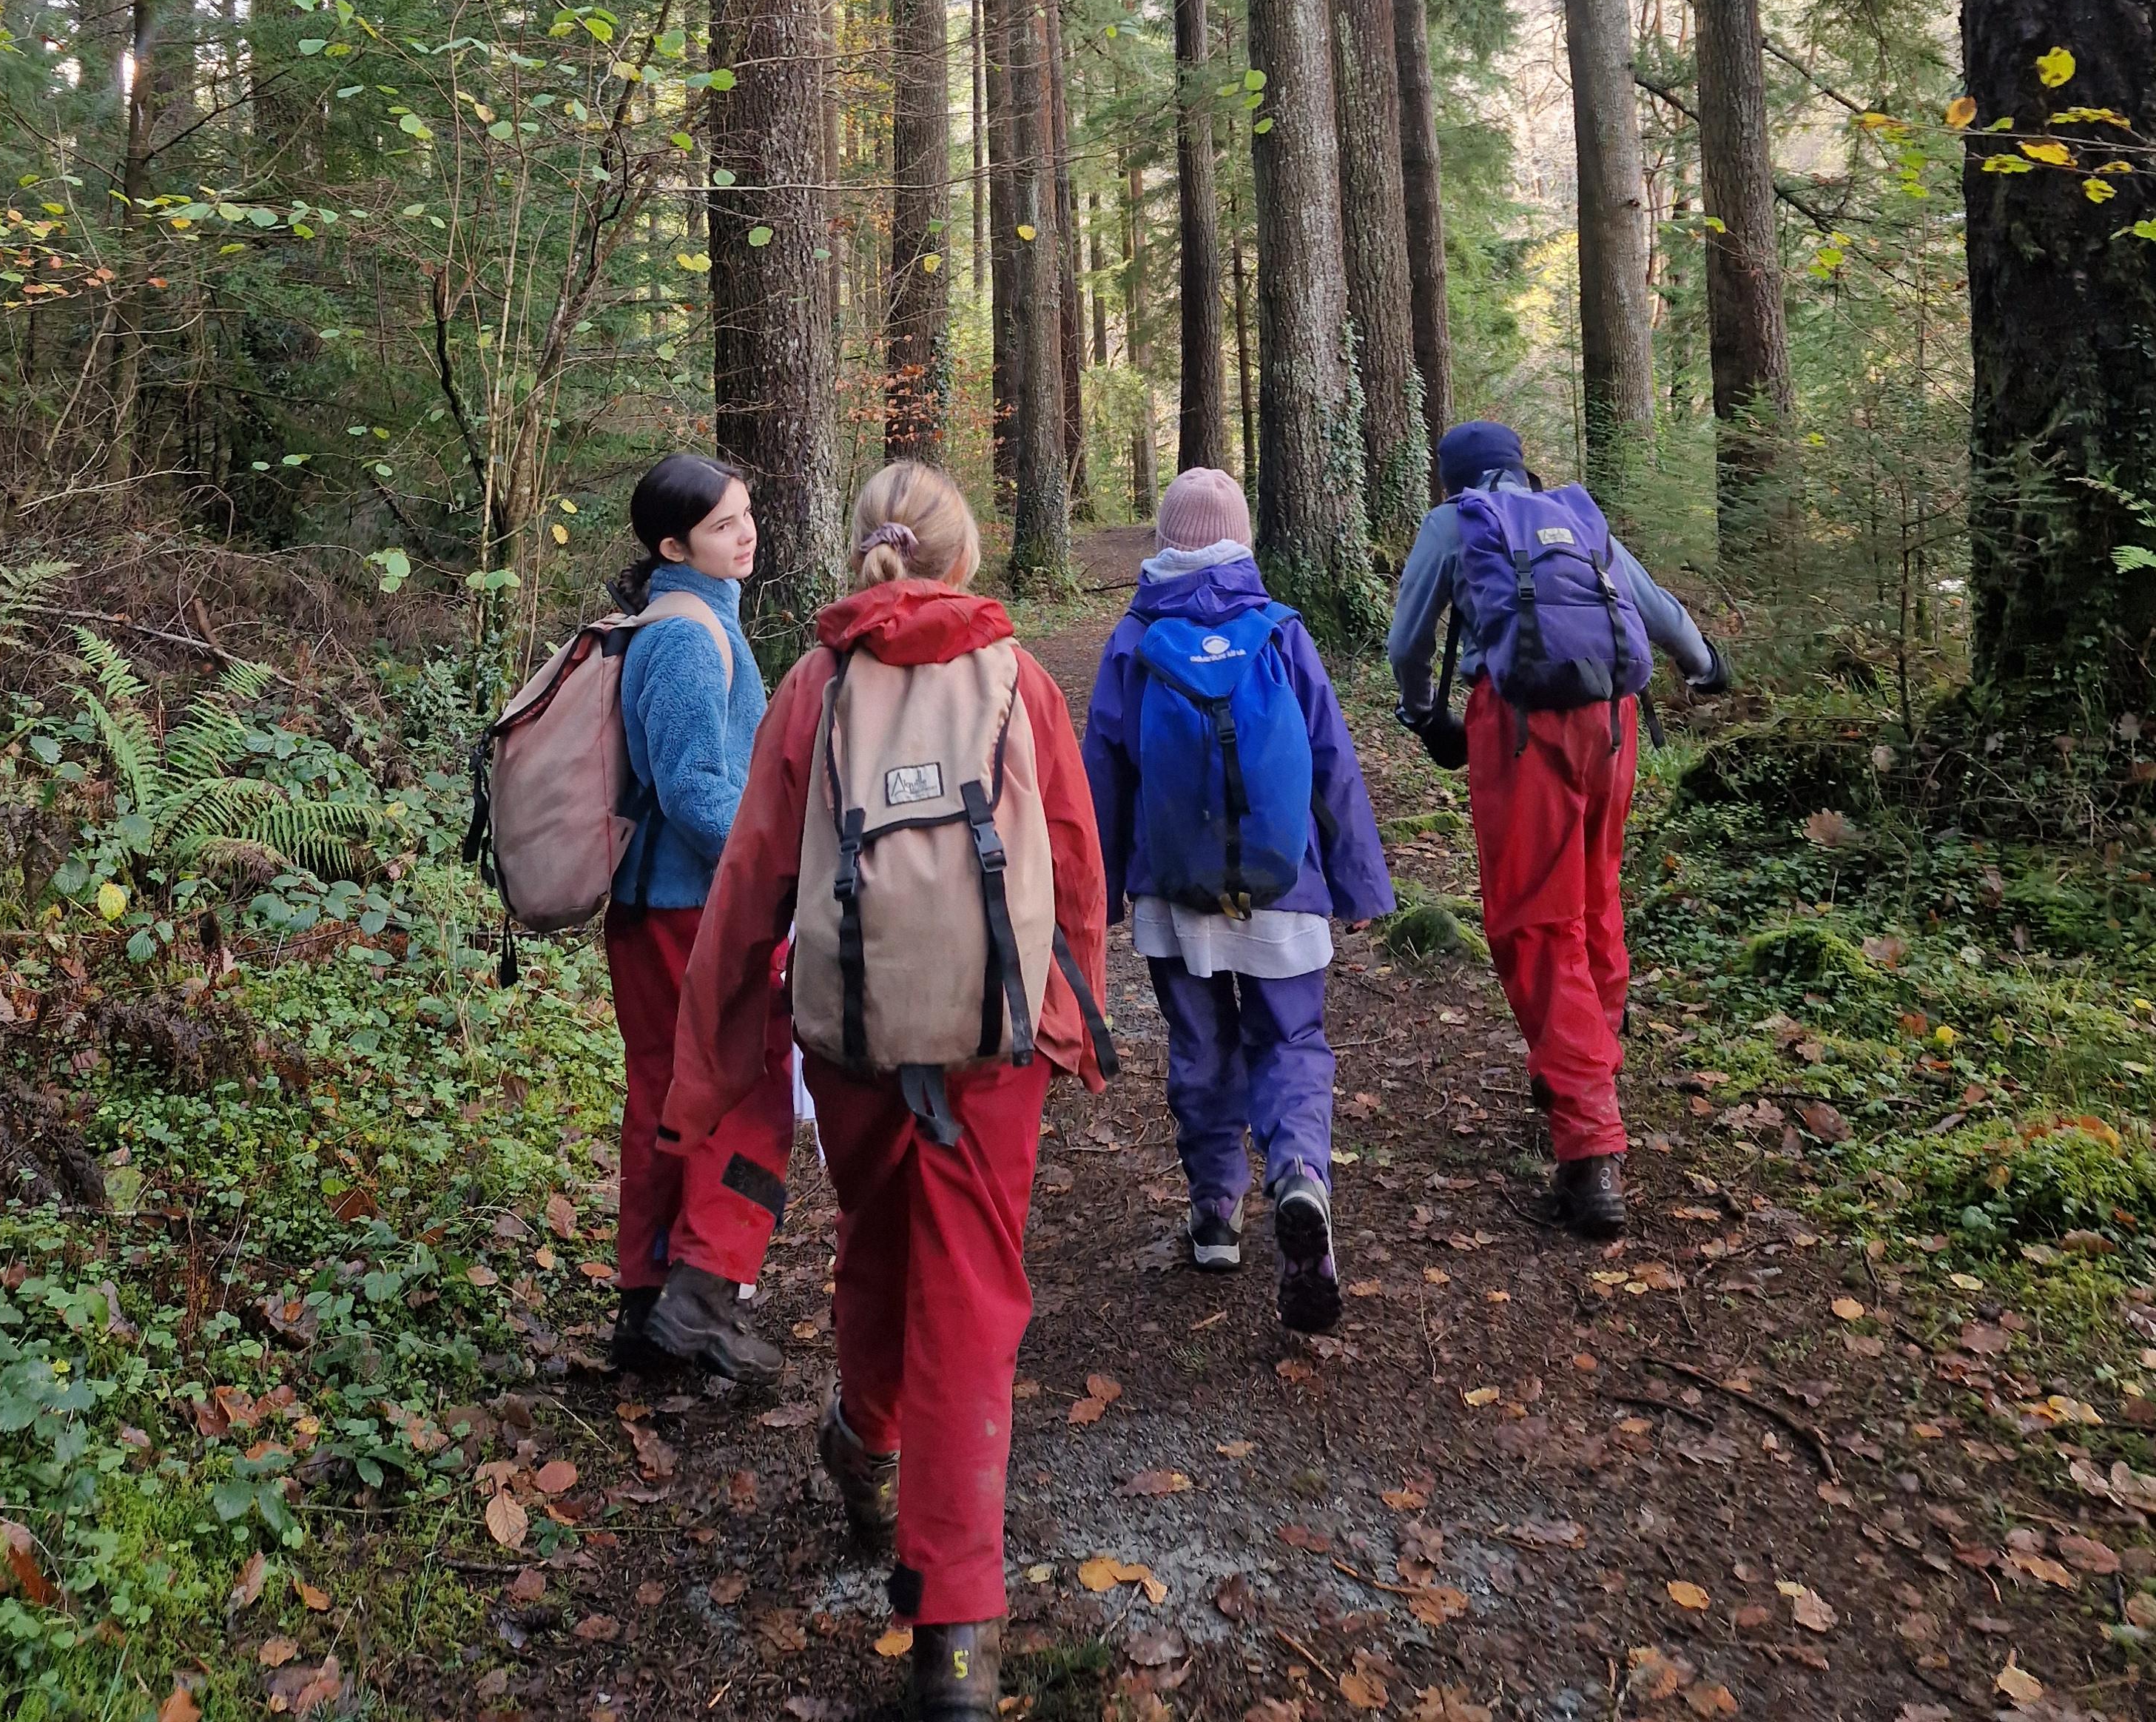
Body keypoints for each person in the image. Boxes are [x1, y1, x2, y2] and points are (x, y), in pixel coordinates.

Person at [660, 463, 1110, 1722]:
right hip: (988, 1040)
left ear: (864, 551)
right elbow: (1075, 857)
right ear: (963, 560)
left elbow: (750, 884)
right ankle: (957, 1630)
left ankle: (866, 1446)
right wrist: (1068, 1022)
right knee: (971, 1292)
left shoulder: (814, 685)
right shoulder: (1017, 677)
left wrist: (710, 1071)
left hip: (852, 1038)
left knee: (873, 1240)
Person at [1387, 419, 1730, 1239]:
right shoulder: (1575, 514)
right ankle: (1588, 1064)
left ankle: (1588, 1143)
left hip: (1521, 727)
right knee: (1595, 898)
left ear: (1452, 479)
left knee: (1537, 922)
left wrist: (1424, 714)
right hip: (1613, 719)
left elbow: (1407, 643)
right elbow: (1654, 607)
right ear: (1520, 469)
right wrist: (1706, 664)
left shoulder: (1455, 522)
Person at [1082, 466, 1392, 1333]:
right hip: (1284, 888)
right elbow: (1330, 761)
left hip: (1174, 896)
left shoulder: (1135, 638)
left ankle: (1215, 1210)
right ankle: (1300, 1175)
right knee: (1290, 1039)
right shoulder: (1280, 630)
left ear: (1162, 543)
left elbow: (1103, 771)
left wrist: (1094, 898)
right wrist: (1358, 881)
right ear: (1243, 543)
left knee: (1200, 1045)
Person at [600, 454, 792, 1385]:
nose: (745, 532)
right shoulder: (685, 636)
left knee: (666, 1094)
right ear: (675, 546)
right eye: (723, 524)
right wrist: (776, 869)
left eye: (745, 513)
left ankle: (649, 1300)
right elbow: (692, 789)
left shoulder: (682, 617)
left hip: (655, 908)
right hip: (691, 910)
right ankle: (705, 1293)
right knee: (745, 1088)